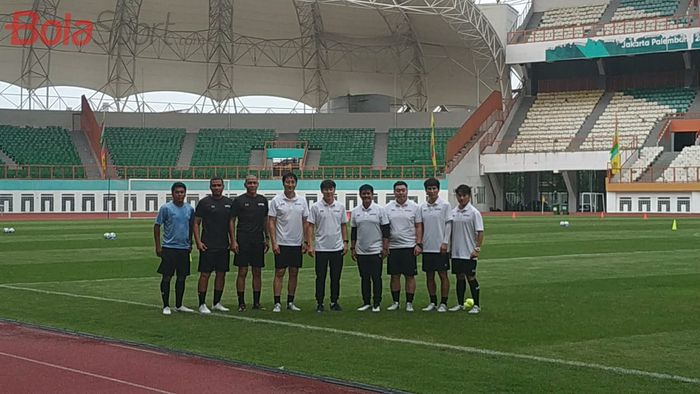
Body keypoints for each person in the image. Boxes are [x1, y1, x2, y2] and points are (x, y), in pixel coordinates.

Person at [268, 172, 309, 312]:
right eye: (287, 182)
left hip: (296, 243)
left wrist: (306, 241)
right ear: (283, 183)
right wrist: (274, 242)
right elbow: (271, 222)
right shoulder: (276, 201)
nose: (290, 185)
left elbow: (305, 222)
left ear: (295, 184)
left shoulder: (302, 201)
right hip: (282, 242)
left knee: (294, 272)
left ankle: (290, 302)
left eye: (292, 182)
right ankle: (277, 303)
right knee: (279, 272)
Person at [305, 179, 348, 313]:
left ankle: (334, 301)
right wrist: (310, 245)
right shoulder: (316, 207)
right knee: (321, 277)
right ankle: (320, 302)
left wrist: (345, 242)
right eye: (326, 189)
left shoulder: (340, 206)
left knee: (336, 277)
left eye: (331, 189)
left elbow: (343, 226)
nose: (328, 192)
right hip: (321, 248)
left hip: (337, 247)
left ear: (334, 190)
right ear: (322, 191)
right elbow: (310, 226)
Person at [193, 177, 234, 314]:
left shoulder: (229, 203)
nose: (216, 187)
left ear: (223, 187)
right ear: (210, 187)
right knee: (205, 274)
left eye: (219, 185)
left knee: (221, 274)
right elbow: (196, 223)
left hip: (223, 245)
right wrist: (198, 242)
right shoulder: (204, 203)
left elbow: (231, 224)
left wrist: (232, 241)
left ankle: (216, 302)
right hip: (208, 245)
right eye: (214, 185)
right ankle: (202, 303)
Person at [154, 182, 195, 315]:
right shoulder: (166, 208)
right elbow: (157, 226)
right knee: (167, 277)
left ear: (185, 193)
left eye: (182, 192)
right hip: (169, 248)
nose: (180, 195)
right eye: (177, 192)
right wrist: (158, 246)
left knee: (182, 277)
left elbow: (191, 226)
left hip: (184, 248)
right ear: (172, 193)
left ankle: (179, 304)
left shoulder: (189, 209)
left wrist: (190, 243)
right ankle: (166, 305)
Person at [231, 175, 269, 311]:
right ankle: (241, 303)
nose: (252, 185)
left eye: (254, 183)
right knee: (242, 271)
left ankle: (256, 303)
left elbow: (265, 221)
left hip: (258, 240)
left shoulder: (263, 201)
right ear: (245, 185)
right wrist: (233, 240)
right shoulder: (239, 201)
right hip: (243, 240)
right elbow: (232, 220)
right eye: (249, 183)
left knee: (257, 272)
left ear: (257, 184)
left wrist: (267, 238)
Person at [350, 184, 390, 312]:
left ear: (372, 195)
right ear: (360, 195)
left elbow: (386, 230)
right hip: (361, 250)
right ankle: (366, 302)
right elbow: (354, 231)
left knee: (376, 277)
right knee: (364, 278)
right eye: (364, 193)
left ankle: (376, 303)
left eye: (368, 193)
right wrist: (352, 248)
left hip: (376, 249)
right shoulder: (356, 211)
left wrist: (385, 247)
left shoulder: (380, 210)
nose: (366, 196)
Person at [385, 181, 422, 312]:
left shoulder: (415, 207)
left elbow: (418, 226)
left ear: (407, 191)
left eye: (403, 190)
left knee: (409, 276)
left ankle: (409, 303)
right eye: (398, 190)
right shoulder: (388, 207)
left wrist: (418, 244)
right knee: (394, 276)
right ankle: (395, 302)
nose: (400, 193)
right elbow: (385, 228)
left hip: (409, 246)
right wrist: (385, 245)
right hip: (393, 247)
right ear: (394, 192)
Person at [418, 177, 453, 312]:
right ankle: (432, 301)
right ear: (426, 190)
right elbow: (420, 226)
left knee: (443, 275)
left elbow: (448, 224)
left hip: (440, 247)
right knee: (429, 276)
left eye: (434, 188)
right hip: (427, 247)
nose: (432, 191)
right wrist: (420, 244)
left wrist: (445, 242)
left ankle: (443, 303)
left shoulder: (445, 205)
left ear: (438, 190)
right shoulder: (422, 207)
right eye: (429, 189)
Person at [450, 184, 484, 314]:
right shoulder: (453, 212)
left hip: (469, 252)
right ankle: (460, 304)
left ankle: (477, 305)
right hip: (456, 252)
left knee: (471, 277)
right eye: (459, 195)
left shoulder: (474, 213)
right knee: (459, 277)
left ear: (469, 197)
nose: (461, 198)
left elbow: (480, 232)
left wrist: (477, 249)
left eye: (464, 195)